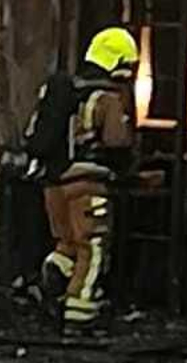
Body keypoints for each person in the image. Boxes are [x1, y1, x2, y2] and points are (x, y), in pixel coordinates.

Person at [21, 27, 138, 335]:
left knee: (67, 244)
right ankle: (80, 314)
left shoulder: (66, 90)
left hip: (54, 183)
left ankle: (52, 274)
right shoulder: (106, 98)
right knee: (93, 248)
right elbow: (116, 142)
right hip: (88, 185)